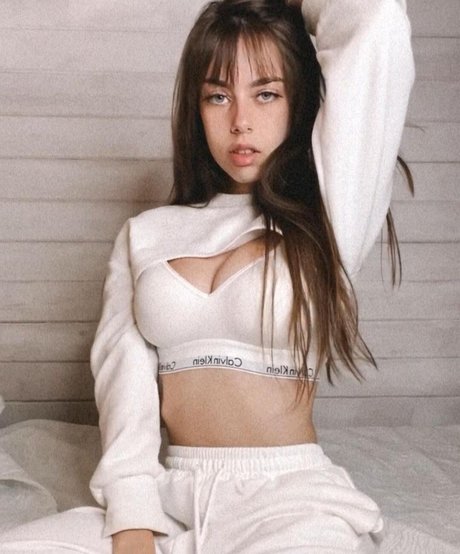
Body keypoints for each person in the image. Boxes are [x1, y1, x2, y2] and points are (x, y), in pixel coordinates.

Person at [0, 0, 414, 552]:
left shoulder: (330, 219)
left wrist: (289, 5)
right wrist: (132, 518)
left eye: (266, 94)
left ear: (298, 102)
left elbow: (377, 20)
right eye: (218, 96)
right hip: (171, 500)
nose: (240, 120)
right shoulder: (146, 234)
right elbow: (125, 388)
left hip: (288, 503)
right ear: (196, 109)